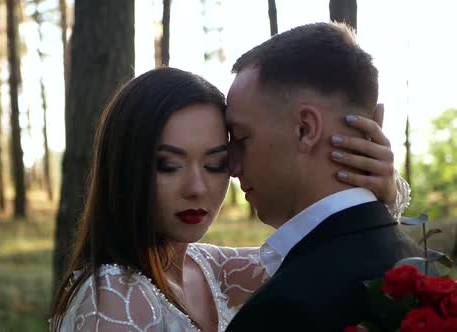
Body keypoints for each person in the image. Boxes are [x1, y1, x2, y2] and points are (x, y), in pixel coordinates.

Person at [50, 66, 409, 332]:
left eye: (216, 164)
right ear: (125, 167)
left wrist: (384, 191)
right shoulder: (112, 298)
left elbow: (320, 256)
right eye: (168, 165)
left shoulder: (211, 269)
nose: (197, 187)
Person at [224, 22, 420, 332]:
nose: (232, 166)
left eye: (242, 138)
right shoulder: (420, 266)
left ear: (305, 129)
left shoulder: (282, 310)